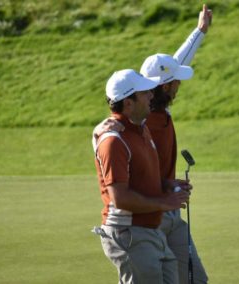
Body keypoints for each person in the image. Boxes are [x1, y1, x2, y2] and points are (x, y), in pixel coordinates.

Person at [93, 5, 212, 283]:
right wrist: (164, 194)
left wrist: (200, 31)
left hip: (165, 211)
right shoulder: (143, 120)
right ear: (163, 87)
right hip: (146, 218)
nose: (178, 87)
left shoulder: (154, 108)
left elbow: (176, 62)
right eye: (174, 83)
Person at [93, 69, 190, 284]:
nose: (151, 96)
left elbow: (140, 177)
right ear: (128, 103)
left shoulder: (142, 129)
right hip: (129, 233)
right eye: (145, 93)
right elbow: (121, 198)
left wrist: (166, 184)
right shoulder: (113, 140)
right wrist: (164, 202)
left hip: (150, 231)